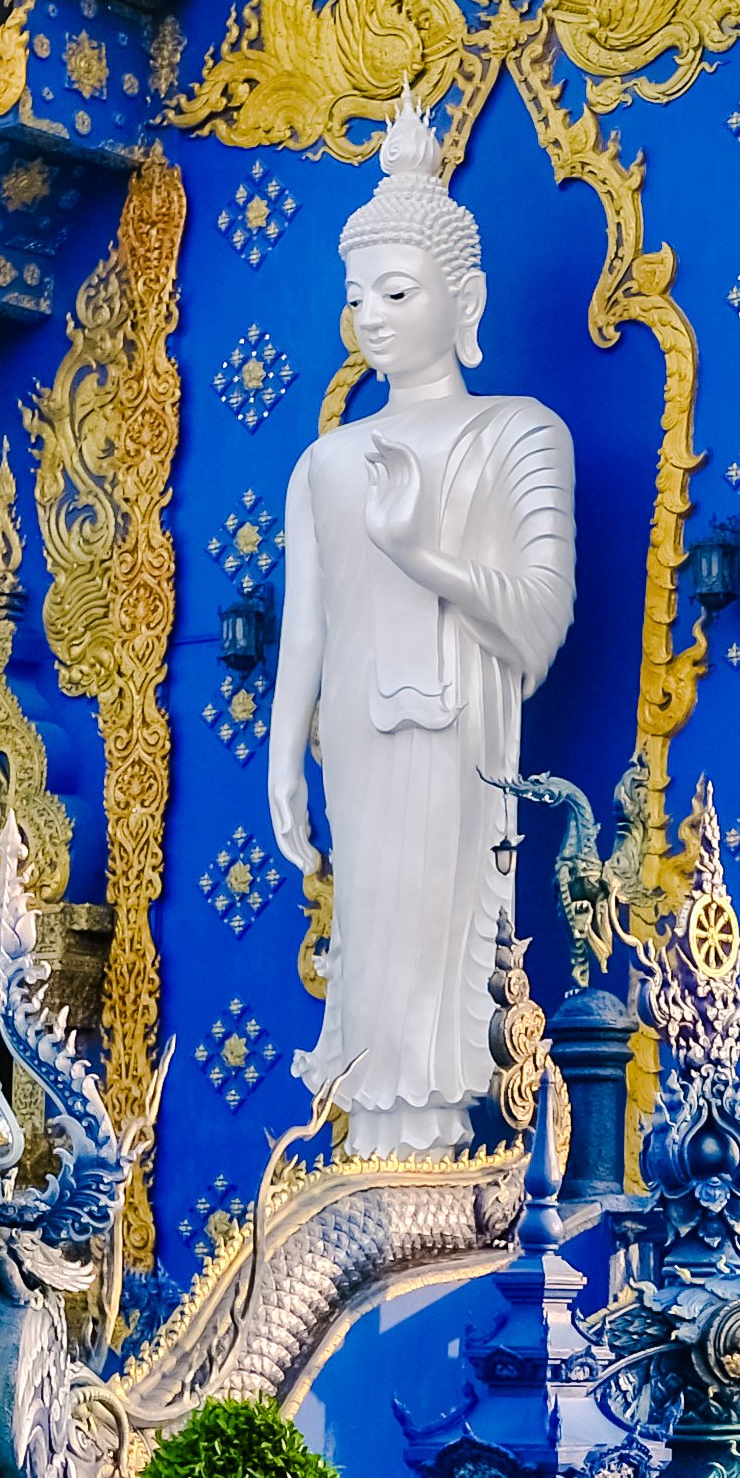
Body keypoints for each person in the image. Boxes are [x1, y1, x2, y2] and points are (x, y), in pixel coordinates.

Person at [265, 100, 578, 1159]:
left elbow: (540, 618)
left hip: (459, 737)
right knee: (365, 937)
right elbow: (302, 629)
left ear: (464, 298)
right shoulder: (326, 462)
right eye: (358, 298)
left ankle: (432, 1144)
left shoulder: (519, 431)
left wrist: (420, 551)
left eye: (398, 292)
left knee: (440, 945)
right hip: (353, 736)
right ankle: (366, 1141)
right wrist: (281, 758)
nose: (375, 316)